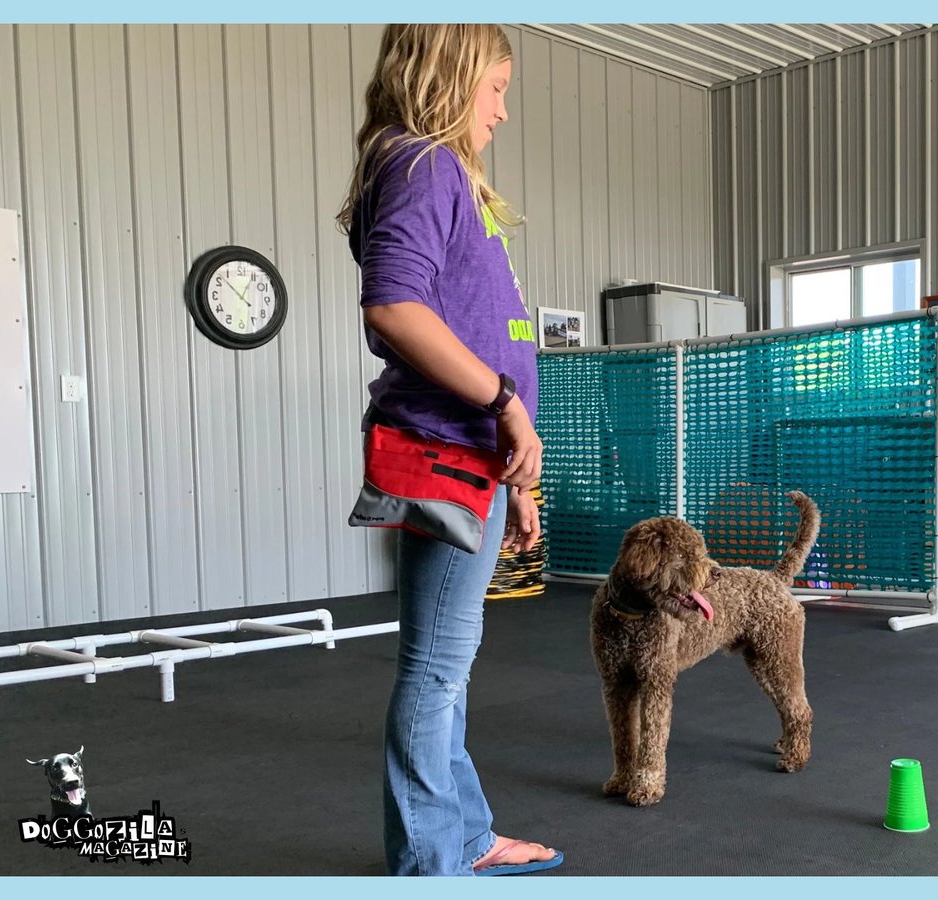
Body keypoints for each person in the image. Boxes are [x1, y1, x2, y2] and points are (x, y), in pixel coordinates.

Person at [336, 24, 560, 877]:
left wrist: (520, 481)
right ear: (450, 75)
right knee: (435, 667)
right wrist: (504, 405)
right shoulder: (422, 161)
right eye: (495, 87)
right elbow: (394, 307)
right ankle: (433, 863)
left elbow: (470, 322)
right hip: (446, 448)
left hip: (476, 457)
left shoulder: (441, 172)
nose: (502, 111)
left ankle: (461, 837)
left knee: (447, 665)